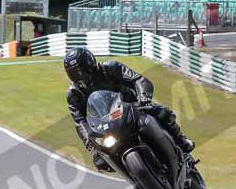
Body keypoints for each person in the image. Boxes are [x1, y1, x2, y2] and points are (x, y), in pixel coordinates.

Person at [64, 47, 195, 172]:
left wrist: (143, 97)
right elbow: (79, 120)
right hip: (106, 123)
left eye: (81, 68)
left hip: (132, 106)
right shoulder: (74, 93)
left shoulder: (110, 68)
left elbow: (137, 79)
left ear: (89, 62)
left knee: (162, 113)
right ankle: (132, 173)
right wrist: (88, 139)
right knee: (100, 159)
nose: (79, 74)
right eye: (74, 72)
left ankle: (181, 140)